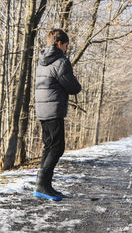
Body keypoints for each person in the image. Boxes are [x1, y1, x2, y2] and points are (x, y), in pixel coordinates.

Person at [34, 29, 81, 201]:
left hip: (41, 109)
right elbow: (73, 87)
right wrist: (75, 79)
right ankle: (41, 184)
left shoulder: (41, 60)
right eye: (66, 45)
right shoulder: (61, 61)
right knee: (57, 147)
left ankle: (45, 185)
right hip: (53, 109)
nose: (66, 48)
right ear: (60, 43)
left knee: (49, 146)